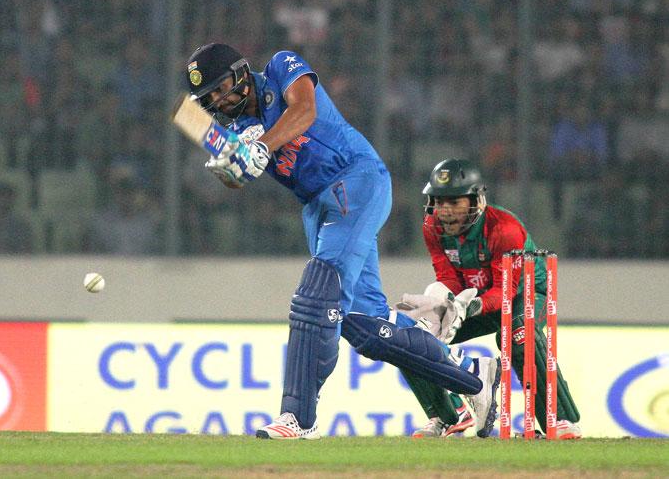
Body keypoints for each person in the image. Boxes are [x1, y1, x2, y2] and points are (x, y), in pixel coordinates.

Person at [184, 43, 501, 439]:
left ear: (242, 71)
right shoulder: (230, 130)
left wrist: (262, 145)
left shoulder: (282, 67)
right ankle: (472, 375)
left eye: (222, 86)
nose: (219, 98)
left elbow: (304, 110)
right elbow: (232, 173)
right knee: (363, 325)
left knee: (318, 294)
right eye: (209, 97)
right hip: (318, 206)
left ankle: (297, 417)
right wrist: (231, 170)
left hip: (356, 179)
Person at [397, 158, 582, 439]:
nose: (444, 211)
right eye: (439, 201)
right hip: (470, 300)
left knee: (519, 334)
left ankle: (561, 421)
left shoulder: (503, 229)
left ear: (476, 200)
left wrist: (469, 306)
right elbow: (447, 275)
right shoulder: (431, 226)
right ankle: (447, 416)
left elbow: (505, 292)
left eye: (454, 202)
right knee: (408, 337)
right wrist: (441, 302)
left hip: (527, 293)